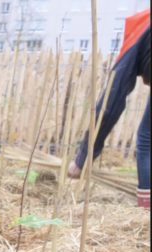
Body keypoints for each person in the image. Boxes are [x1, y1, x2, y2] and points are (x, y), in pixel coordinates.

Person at [67, 9, 150, 210]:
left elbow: (110, 104)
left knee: (147, 139)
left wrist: (82, 159)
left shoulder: (140, 28)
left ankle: (147, 209)